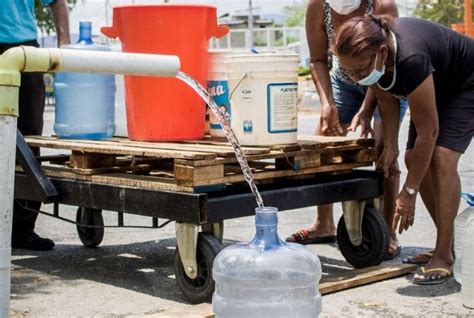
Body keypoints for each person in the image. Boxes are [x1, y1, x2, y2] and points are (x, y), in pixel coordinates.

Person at [333, 14, 473, 284]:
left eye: (360, 71)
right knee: (413, 157)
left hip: (466, 83)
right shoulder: (373, 60)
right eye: (350, 72)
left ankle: (444, 255)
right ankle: (447, 246)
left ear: (382, 52)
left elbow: (428, 133)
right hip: (436, 82)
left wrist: (409, 191)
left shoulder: (410, 58)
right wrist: (393, 148)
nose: (358, 77)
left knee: (442, 158)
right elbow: (386, 97)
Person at [286, 0, 407, 260]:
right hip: (345, 79)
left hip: (383, 77)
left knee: (383, 145)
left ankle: (387, 230)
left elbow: (384, 64)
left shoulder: (382, 4)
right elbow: (318, 59)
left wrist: (365, 112)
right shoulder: (319, 6)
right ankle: (324, 223)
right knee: (325, 140)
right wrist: (327, 104)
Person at [0, 0, 70, 250]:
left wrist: (65, 44)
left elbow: (57, 2)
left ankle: (22, 229)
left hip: (24, 50)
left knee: (28, 141)